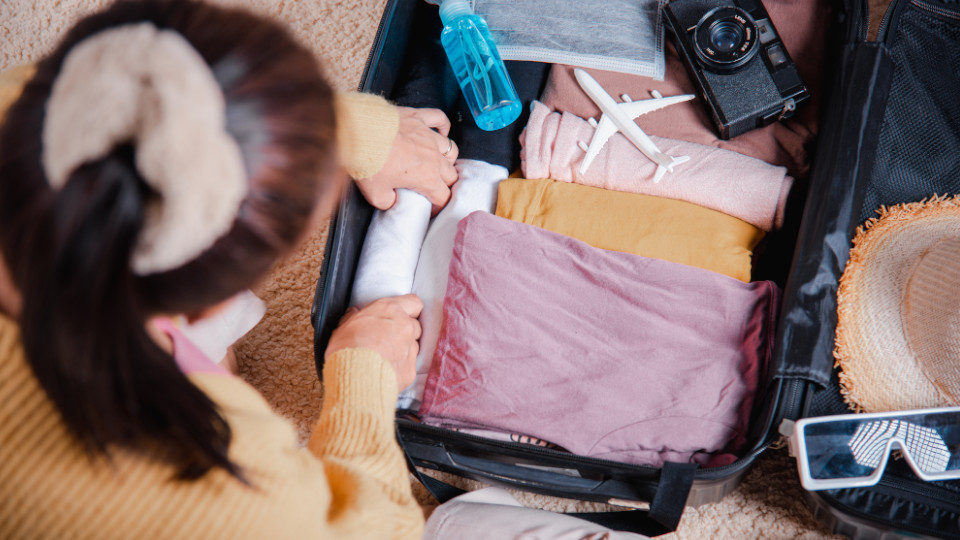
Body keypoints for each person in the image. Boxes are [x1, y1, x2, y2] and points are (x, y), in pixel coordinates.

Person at [0, 1, 458, 538]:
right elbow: (376, 530)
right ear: (211, 304)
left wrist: (340, 130)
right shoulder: (203, 488)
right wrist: (363, 381)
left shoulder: (30, 105)